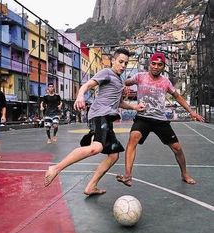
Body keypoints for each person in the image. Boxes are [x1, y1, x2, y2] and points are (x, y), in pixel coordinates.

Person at [44, 48, 145, 195]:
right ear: (113, 61)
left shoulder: (119, 80)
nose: (123, 65)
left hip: (107, 118)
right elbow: (87, 85)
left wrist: (135, 107)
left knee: (113, 155)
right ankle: (56, 168)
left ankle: (91, 186)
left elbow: (118, 103)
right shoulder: (107, 72)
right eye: (120, 62)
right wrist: (80, 96)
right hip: (99, 115)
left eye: (126, 63)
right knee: (96, 148)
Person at [116, 52, 204, 187]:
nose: (156, 67)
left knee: (177, 148)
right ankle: (127, 175)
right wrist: (125, 85)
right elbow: (124, 82)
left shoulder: (165, 82)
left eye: (159, 65)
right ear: (149, 64)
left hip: (160, 120)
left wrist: (191, 112)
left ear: (163, 67)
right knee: (133, 137)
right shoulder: (140, 77)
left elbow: (178, 97)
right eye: (153, 64)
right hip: (143, 118)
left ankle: (184, 174)